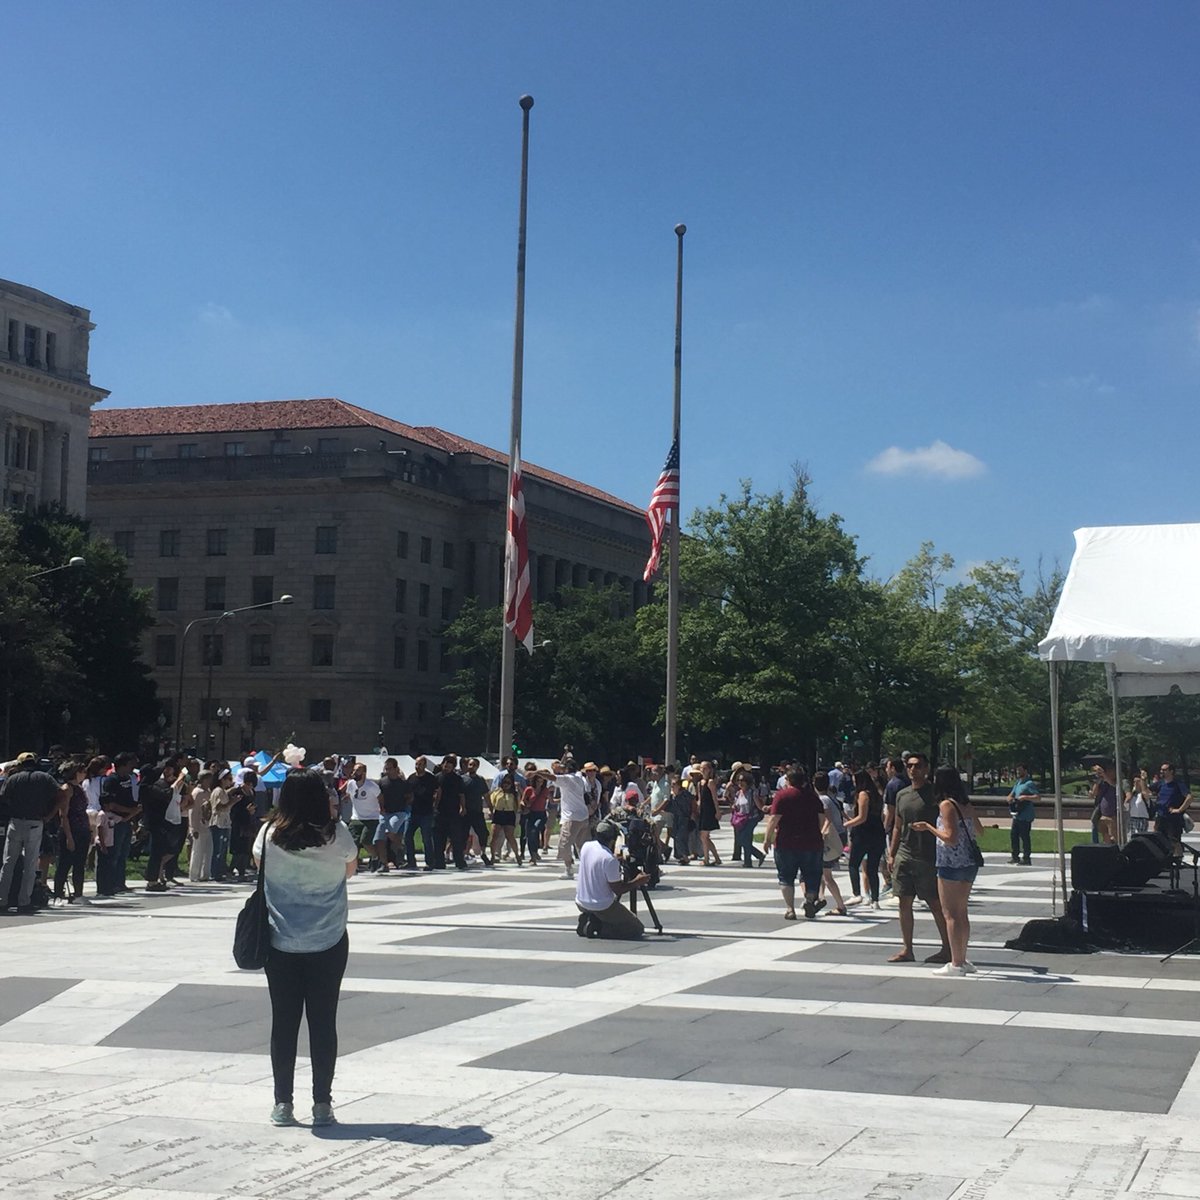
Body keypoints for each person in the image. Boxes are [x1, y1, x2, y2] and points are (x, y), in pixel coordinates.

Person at [253, 768, 357, 1128]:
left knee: (283, 1021)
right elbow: (351, 870)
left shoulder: (268, 834)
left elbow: (259, 868)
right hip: (328, 937)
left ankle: (283, 1103)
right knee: (323, 1021)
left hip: (280, 939)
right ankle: (322, 1104)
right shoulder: (336, 834)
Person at [912, 766, 983, 976]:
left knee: (950, 914)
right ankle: (963, 958)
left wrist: (929, 827)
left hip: (950, 864)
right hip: (969, 863)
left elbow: (950, 838)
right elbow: (980, 830)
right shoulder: (966, 804)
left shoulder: (946, 805)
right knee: (962, 913)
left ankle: (956, 963)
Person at [886, 753, 952, 965]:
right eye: (909, 766)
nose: (913, 769)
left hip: (928, 856)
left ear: (926, 768)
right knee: (904, 901)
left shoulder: (935, 794)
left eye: (918, 766)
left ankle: (947, 948)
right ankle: (907, 949)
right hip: (905, 854)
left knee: (934, 903)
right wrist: (892, 853)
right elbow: (897, 825)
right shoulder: (902, 794)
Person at [1, 752, 66, 911]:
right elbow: (62, 794)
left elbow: (3, 796)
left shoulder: (13, 779)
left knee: (8, 863)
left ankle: (2, 899)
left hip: (16, 821)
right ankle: (24, 901)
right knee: (30, 864)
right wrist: (50, 815)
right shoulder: (44, 778)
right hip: (36, 822)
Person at [761, 768, 826, 920]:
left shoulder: (782, 796)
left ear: (788, 780)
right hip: (812, 842)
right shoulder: (813, 797)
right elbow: (822, 820)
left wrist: (767, 839)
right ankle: (809, 900)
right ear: (804, 780)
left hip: (786, 842)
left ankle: (790, 909)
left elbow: (774, 819)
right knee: (812, 875)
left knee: (786, 877)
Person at [574, 820, 649, 940]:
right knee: (636, 929)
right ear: (613, 839)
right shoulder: (609, 860)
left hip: (581, 901)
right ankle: (597, 926)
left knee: (611, 915)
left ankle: (592, 918)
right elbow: (618, 890)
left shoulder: (587, 846)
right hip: (601, 906)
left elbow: (598, 862)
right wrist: (638, 881)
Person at [98, 752, 141, 896]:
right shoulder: (111, 780)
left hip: (128, 819)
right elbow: (110, 804)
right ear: (122, 765)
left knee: (123, 853)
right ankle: (110, 883)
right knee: (114, 853)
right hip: (115, 820)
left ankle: (120, 882)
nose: (132, 767)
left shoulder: (129, 779)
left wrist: (133, 815)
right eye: (129, 764)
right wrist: (128, 810)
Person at [843, 768, 886, 909]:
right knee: (873, 868)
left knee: (853, 864)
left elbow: (862, 817)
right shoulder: (877, 795)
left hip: (863, 834)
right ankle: (875, 900)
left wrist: (847, 824)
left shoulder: (863, 795)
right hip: (878, 833)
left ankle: (857, 894)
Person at [53, 760, 91, 903]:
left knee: (79, 863)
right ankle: (58, 894)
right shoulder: (67, 789)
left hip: (82, 828)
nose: (85, 774)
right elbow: (63, 814)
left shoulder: (79, 788)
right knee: (65, 863)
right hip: (71, 829)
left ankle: (78, 893)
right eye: (82, 771)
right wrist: (69, 836)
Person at [813, 771, 847, 915]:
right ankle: (820, 898)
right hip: (840, 836)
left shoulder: (822, 800)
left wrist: (821, 834)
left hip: (831, 840)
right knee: (822, 872)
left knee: (827, 876)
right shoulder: (831, 798)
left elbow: (828, 819)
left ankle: (840, 906)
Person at [553, 758, 591, 880]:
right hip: (583, 816)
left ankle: (569, 870)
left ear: (567, 769)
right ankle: (587, 869)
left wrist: (537, 773)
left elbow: (551, 777)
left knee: (564, 845)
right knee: (582, 845)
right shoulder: (580, 778)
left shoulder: (566, 779)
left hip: (571, 817)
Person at [373, 758, 409, 872]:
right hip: (385, 813)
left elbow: (410, 796)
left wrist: (405, 805)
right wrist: (381, 808)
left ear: (396, 768)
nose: (387, 771)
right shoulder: (381, 782)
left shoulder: (403, 783)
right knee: (379, 839)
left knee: (390, 831)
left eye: (389, 768)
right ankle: (384, 864)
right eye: (386, 768)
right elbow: (378, 796)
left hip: (399, 812)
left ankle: (401, 847)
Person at [345, 763, 381, 872]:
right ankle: (354, 867)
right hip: (356, 817)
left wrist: (382, 809)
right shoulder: (351, 784)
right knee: (353, 843)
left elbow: (380, 797)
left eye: (357, 771)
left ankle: (375, 857)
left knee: (365, 841)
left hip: (371, 817)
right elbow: (348, 794)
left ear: (364, 773)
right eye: (354, 771)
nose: (354, 773)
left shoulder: (371, 786)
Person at [405, 756, 438, 871]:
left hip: (426, 812)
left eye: (420, 764)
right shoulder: (411, 778)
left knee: (426, 838)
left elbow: (438, 791)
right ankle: (411, 861)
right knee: (407, 836)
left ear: (425, 765)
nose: (417, 766)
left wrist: (435, 805)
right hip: (413, 812)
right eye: (416, 764)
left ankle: (430, 862)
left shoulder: (431, 778)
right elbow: (407, 793)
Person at [728, 768, 765, 867]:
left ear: (747, 782)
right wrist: (733, 806)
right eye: (738, 781)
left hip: (751, 818)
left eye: (742, 780)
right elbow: (737, 806)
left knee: (745, 839)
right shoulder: (738, 793)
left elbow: (759, 805)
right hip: (740, 819)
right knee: (741, 840)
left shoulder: (753, 792)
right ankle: (758, 855)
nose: (740, 783)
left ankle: (748, 862)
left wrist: (765, 809)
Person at [1154, 763, 1192, 856]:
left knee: (1174, 840)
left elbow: (1189, 797)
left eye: (1164, 770)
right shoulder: (1160, 783)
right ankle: (1164, 859)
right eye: (1161, 769)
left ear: (1171, 771)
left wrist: (1179, 810)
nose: (1161, 771)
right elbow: (1146, 791)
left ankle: (1178, 859)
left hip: (1173, 819)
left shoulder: (1178, 784)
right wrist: (1142, 779)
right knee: (1159, 839)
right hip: (1161, 816)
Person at [461, 758, 492, 867]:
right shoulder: (463, 779)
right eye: (470, 764)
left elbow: (486, 795)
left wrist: (491, 808)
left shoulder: (480, 780)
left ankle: (483, 853)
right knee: (463, 834)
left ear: (477, 767)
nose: (471, 767)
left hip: (477, 811)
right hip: (466, 812)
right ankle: (462, 856)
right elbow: (460, 795)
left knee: (483, 833)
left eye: (474, 765)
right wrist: (462, 807)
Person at [208, 766, 236, 881]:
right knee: (218, 850)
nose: (230, 781)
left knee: (223, 849)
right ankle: (215, 872)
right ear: (222, 779)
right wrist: (231, 802)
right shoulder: (218, 791)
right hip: (218, 822)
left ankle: (221, 870)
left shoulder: (224, 791)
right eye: (228, 779)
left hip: (225, 822)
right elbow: (219, 807)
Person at [1007, 764, 1038, 865]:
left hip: (1026, 815)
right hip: (1017, 814)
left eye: (1020, 770)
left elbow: (1038, 797)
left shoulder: (1029, 784)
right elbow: (1011, 795)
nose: (1018, 772)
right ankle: (1015, 857)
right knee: (1013, 836)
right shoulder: (1018, 783)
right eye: (1017, 771)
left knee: (1025, 837)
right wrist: (1010, 799)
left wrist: (1025, 797)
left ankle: (1026, 858)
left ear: (1025, 771)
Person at [187, 769, 214, 882]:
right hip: (198, 825)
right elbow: (192, 811)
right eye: (208, 779)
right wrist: (193, 828)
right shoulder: (197, 792)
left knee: (208, 850)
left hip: (207, 824)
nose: (210, 782)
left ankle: (205, 874)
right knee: (197, 850)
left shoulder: (207, 792)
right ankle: (194, 874)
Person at [488, 773, 521, 864]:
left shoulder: (514, 794)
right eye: (504, 782)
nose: (506, 784)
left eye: (508, 783)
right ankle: (493, 856)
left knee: (510, 836)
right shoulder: (497, 792)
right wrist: (491, 811)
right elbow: (491, 802)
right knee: (494, 836)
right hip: (498, 813)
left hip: (509, 814)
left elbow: (517, 806)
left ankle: (517, 855)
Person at [520, 772, 549, 866]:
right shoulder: (529, 789)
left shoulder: (545, 790)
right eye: (537, 780)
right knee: (529, 835)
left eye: (541, 781)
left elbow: (552, 800)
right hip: (530, 813)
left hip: (541, 814)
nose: (539, 783)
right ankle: (533, 855)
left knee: (534, 830)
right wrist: (525, 805)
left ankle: (535, 852)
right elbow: (522, 801)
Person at [696, 761, 722, 866]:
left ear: (709, 769)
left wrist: (717, 811)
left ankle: (706, 859)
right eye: (701, 768)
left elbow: (715, 798)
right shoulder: (699, 783)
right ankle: (717, 858)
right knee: (705, 837)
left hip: (709, 811)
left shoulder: (710, 782)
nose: (703, 770)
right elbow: (699, 799)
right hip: (702, 811)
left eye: (705, 768)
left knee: (704, 836)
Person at [1126, 769, 1152, 836]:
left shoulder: (1143, 794)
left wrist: (1143, 780)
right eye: (1134, 782)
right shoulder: (1132, 795)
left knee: (1141, 837)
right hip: (1132, 819)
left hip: (1142, 820)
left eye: (1138, 781)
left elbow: (1145, 794)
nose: (1136, 783)